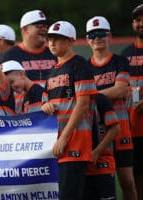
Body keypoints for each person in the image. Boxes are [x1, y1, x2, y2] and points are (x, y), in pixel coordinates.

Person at [41, 21, 98, 200]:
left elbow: (83, 104)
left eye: (58, 39)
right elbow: (45, 101)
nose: (52, 43)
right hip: (56, 143)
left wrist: (64, 137)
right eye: (50, 38)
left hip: (74, 141)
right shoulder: (51, 71)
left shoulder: (79, 64)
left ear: (71, 41)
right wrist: (45, 105)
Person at [86, 16, 137, 200]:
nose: (97, 38)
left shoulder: (120, 61)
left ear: (110, 36)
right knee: (100, 185)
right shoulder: (85, 67)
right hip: (97, 134)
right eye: (92, 35)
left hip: (121, 130)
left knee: (127, 182)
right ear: (87, 39)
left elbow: (121, 90)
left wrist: (91, 96)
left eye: (101, 34)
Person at [0, 9, 57, 88]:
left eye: (45, 26)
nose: (44, 29)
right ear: (25, 29)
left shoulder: (55, 53)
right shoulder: (9, 57)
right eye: (39, 26)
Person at [121, 4, 143, 200]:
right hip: (132, 128)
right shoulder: (125, 54)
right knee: (135, 179)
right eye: (137, 20)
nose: (141, 23)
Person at [84, 93, 120, 200]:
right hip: (82, 168)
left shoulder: (100, 99)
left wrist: (96, 152)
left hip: (103, 164)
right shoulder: (71, 102)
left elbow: (115, 128)